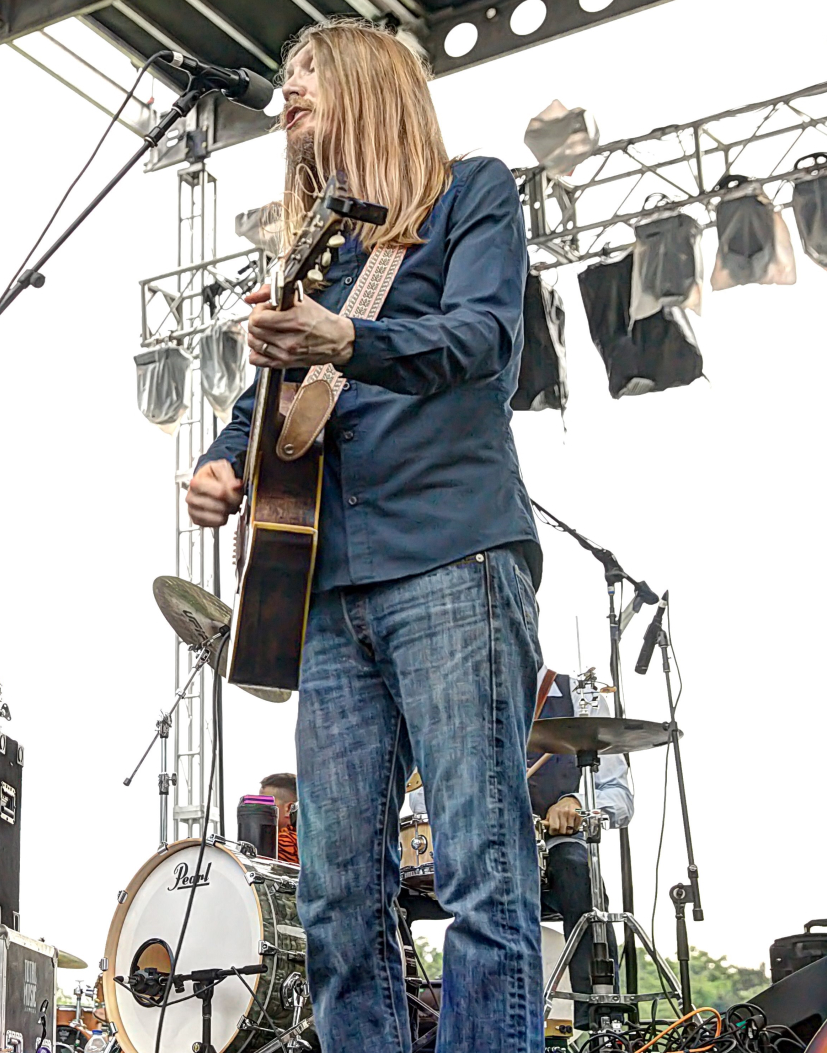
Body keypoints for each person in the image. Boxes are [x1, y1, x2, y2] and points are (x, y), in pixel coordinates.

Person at [184, 19, 543, 1053]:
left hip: (451, 557)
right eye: (281, 78)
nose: (282, 93)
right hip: (326, 593)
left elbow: (485, 344)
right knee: (337, 896)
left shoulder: (469, 193)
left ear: (364, 82)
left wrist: (347, 336)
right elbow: (272, 405)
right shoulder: (316, 249)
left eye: (303, 74)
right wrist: (220, 459)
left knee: (481, 873)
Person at [529, 670, 632, 1026]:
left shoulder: (576, 694)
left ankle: (601, 1022)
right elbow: (420, 794)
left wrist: (577, 800)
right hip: (487, 844)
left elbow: (619, 794)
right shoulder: (461, 691)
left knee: (575, 862)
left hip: (554, 846)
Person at [259, 772, 300, 865]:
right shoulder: (307, 839)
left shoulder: (279, 844)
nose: (257, 808)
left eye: (264, 803)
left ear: (288, 808)